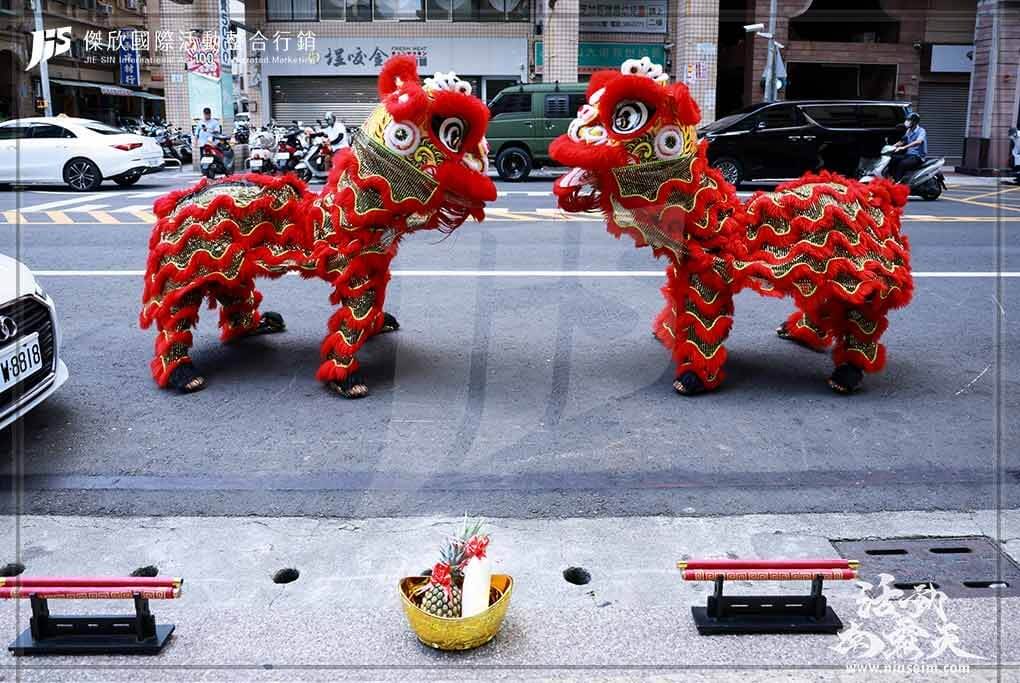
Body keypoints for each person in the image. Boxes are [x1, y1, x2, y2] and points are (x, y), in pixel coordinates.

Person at [889, 113, 926, 182]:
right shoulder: (909, 130)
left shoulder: (921, 130)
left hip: (917, 156)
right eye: (907, 120)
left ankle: (898, 182)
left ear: (914, 122)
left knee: (902, 164)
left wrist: (904, 147)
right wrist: (892, 146)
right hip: (909, 155)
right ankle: (893, 178)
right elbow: (903, 141)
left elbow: (918, 142)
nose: (907, 122)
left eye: (909, 120)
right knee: (892, 159)